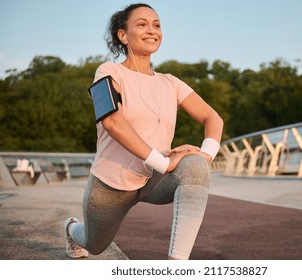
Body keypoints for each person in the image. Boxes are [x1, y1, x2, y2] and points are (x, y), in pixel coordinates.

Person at [64, 3, 223, 260]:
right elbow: (112, 122)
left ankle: (176, 265)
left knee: (194, 166)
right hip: (112, 183)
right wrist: (164, 162)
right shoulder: (108, 72)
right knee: (94, 245)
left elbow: (212, 117)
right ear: (123, 35)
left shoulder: (170, 82)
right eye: (142, 24)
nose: (152, 30)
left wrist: (206, 156)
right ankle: (72, 230)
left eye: (156, 25)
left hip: (154, 179)